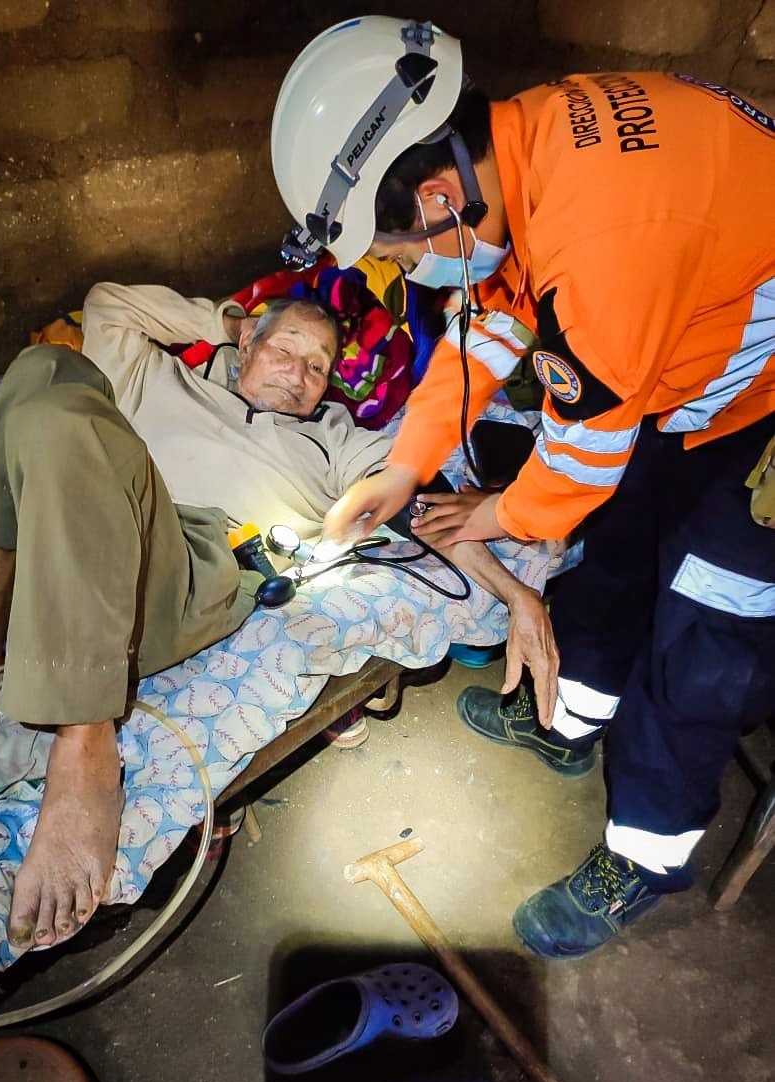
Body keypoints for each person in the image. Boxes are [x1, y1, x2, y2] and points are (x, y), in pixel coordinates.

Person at [271, 16, 775, 957]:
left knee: (708, 627)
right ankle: (567, 718)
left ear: (436, 195)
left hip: (763, 399)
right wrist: (406, 464)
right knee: (618, 542)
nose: (406, 269)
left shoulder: (607, 237)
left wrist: (494, 515)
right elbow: (491, 323)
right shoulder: (523, 149)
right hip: (695, 349)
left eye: (401, 252)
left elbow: (578, 462)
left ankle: (645, 854)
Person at [0, 282, 555, 951]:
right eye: (286, 349)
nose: (299, 374)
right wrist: (224, 320)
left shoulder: (334, 441)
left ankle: (83, 737)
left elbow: (421, 510)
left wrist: (517, 594)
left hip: (180, 570)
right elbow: (106, 305)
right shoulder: (158, 378)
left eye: (319, 367)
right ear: (246, 342)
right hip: (61, 546)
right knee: (47, 369)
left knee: (70, 415)